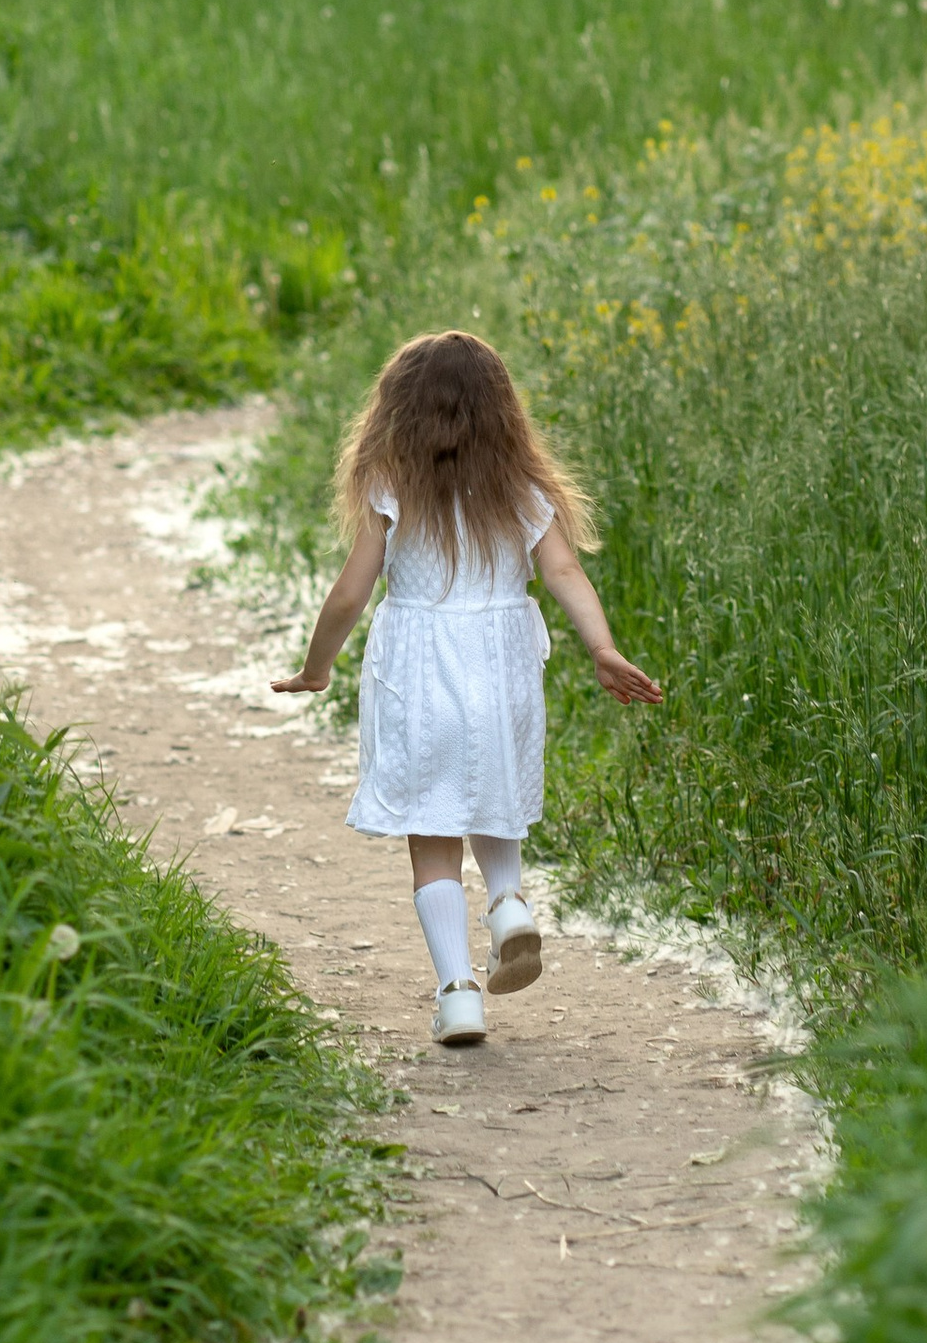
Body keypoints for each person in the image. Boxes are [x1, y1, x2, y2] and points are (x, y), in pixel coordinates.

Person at [273, 328, 662, 1048]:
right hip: (501, 666)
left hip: (420, 675)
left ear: (397, 410)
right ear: (501, 410)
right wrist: (602, 648)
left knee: (433, 833)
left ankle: (457, 995)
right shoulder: (523, 490)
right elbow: (564, 572)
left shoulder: (389, 486)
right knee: (494, 788)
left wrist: (316, 667)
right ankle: (508, 901)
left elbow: (351, 594)